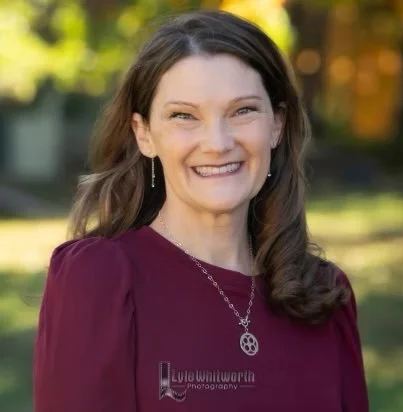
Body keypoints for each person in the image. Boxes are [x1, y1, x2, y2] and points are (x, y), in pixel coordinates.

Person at [33, 9, 369, 412]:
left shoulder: (325, 294)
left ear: (276, 124)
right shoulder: (101, 278)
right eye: (183, 116)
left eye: (242, 110)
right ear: (144, 135)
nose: (217, 142)